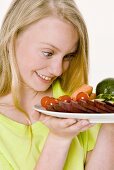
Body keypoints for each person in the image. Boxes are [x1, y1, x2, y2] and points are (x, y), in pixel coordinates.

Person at [0, 0, 114, 170]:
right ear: (12, 38)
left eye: (68, 56)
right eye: (48, 53)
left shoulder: (79, 105)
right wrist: (59, 139)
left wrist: (110, 123)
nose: (58, 69)